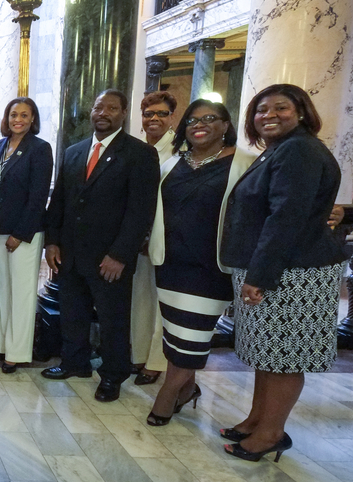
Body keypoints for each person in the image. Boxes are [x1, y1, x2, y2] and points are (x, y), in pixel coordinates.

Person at [219, 84, 346, 462]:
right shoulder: (280, 150)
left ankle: (271, 433)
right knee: (267, 353)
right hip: (279, 269)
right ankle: (257, 419)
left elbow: (285, 219)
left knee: (285, 356)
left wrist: (260, 275)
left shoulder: (300, 151)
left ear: (302, 112)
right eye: (261, 110)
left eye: (280, 108)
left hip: (293, 274)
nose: (269, 115)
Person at [42, 90, 160, 403]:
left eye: (111, 108)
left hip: (110, 257)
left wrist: (120, 255)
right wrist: (51, 241)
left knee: (112, 318)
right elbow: (60, 201)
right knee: (72, 312)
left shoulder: (139, 154)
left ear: (123, 113)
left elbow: (140, 211)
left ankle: (112, 374)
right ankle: (74, 362)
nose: (103, 112)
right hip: (70, 253)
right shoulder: (74, 151)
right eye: (98, 107)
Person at [145, 100, 255, 426]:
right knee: (174, 334)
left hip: (211, 267)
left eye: (210, 118)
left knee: (192, 337)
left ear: (225, 125)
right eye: (192, 120)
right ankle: (187, 389)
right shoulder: (173, 163)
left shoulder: (245, 163)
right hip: (170, 263)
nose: (199, 124)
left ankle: (167, 394)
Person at [0, 98, 53, 373]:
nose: (18, 119)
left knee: (22, 292)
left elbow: (38, 198)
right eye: (14, 114)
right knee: (5, 289)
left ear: (33, 119)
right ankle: (3, 344)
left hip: (23, 232)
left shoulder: (39, 149)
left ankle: (18, 352)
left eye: (25, 115)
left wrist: (20, 233)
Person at [133, 91, 179, 385]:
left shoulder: (179, 150)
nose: (154, 119)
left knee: (163, 302)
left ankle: (157, 361)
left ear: (172, 117)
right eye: (149, 114)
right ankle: (137, 354)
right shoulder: (138, 149)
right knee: (141, 296)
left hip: (168, 236)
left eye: (161, 114)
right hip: (138, 237)